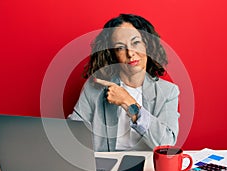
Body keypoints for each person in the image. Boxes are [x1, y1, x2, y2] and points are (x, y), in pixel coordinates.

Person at [68, 14, 180, 152]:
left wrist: (128, 103)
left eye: (136, 43)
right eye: (120, 47)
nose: (130, 53)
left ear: (148, 45)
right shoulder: (94, 87)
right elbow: (73, 133)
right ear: (112, 54)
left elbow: (167, 143)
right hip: (104, 166)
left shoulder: (168, 91)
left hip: (146, 168)